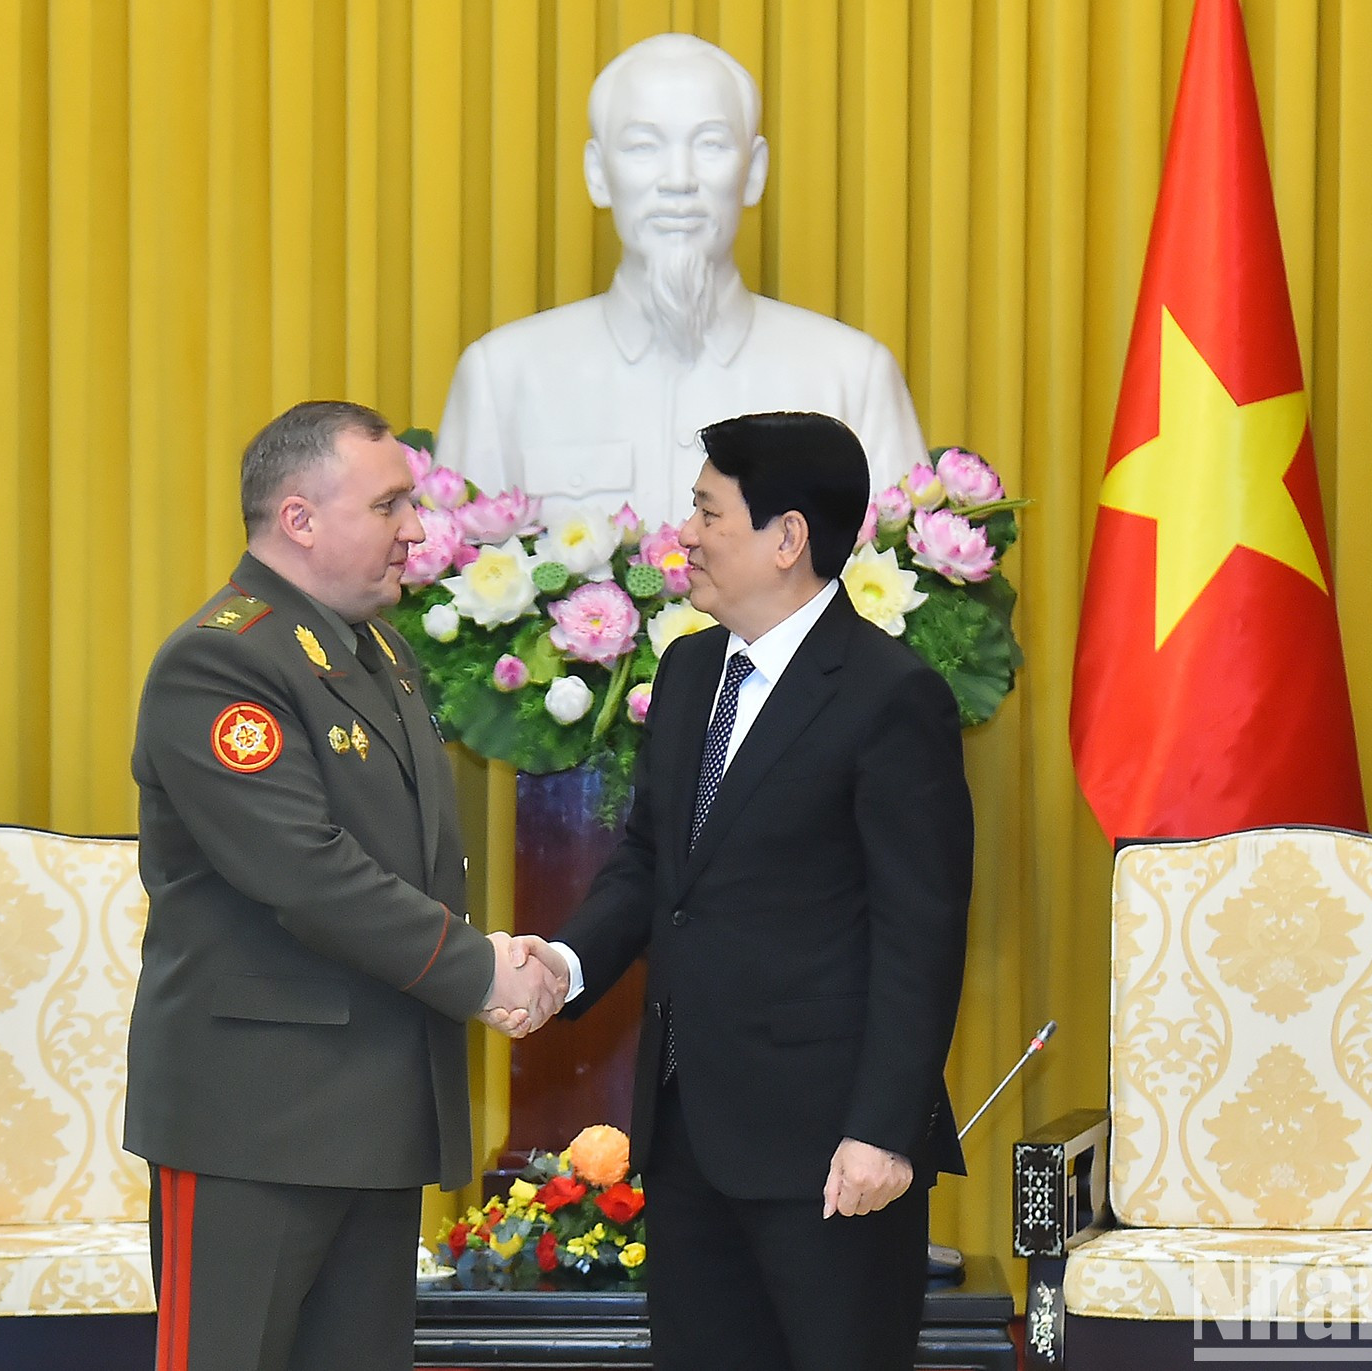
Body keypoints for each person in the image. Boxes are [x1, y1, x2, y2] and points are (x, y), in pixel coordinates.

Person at [519, 411, 973, 1371]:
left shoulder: (889, 695)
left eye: (707, 511)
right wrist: (563, 963)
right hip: (689, 1136)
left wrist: (883, 1132)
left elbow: (920, 934)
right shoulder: (690, 669)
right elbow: (653, 863)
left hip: (830, 1152)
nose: (684, 534)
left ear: (788, 537)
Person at [124, 400, 565, 1371]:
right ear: (299, 518)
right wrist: (480, 970)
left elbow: (405, 862)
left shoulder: (381, 654)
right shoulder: (221, 659)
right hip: (254, 1123)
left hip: (375, 1114)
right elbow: (305, 869)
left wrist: (487, 960)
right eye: (388, 505)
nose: (416, 529)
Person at [435, 33, 928, 526]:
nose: (678, 180)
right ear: (597, 173)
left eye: (711, 144)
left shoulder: (852, 377)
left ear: (754, 171)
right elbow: (450, 561)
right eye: (643, 146)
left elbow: (904, 564)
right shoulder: (502, 378)